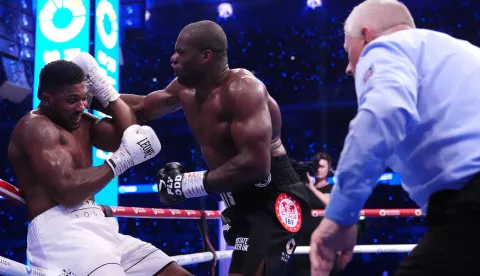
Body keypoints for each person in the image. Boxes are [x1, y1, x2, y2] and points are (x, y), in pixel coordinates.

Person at [93, 20, 312, 276]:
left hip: (272, 196)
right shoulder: (184, 88)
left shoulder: (243, 90)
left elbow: (257, 165)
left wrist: (186, 184)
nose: (173, 58)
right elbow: (141, 108)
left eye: (181, 52)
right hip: (238, 198)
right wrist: (93, 91)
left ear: (206, 56)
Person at [309, 0, 480, 275]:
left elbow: (384, 112)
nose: (348, 68)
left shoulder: (384, 48)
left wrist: (340, 216)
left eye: (347, 50)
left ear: (366, 35)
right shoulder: (464, 52)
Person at [8, 54, 191, 276]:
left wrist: (106, 93)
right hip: (62, 233)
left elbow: (129, 136)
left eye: (85, 98)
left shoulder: (80, 122)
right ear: (46, 99)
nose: (81, 106)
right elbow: (67, 193)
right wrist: (119, 160)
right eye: (72, 99)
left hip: (100, 227)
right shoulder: (35, 128)